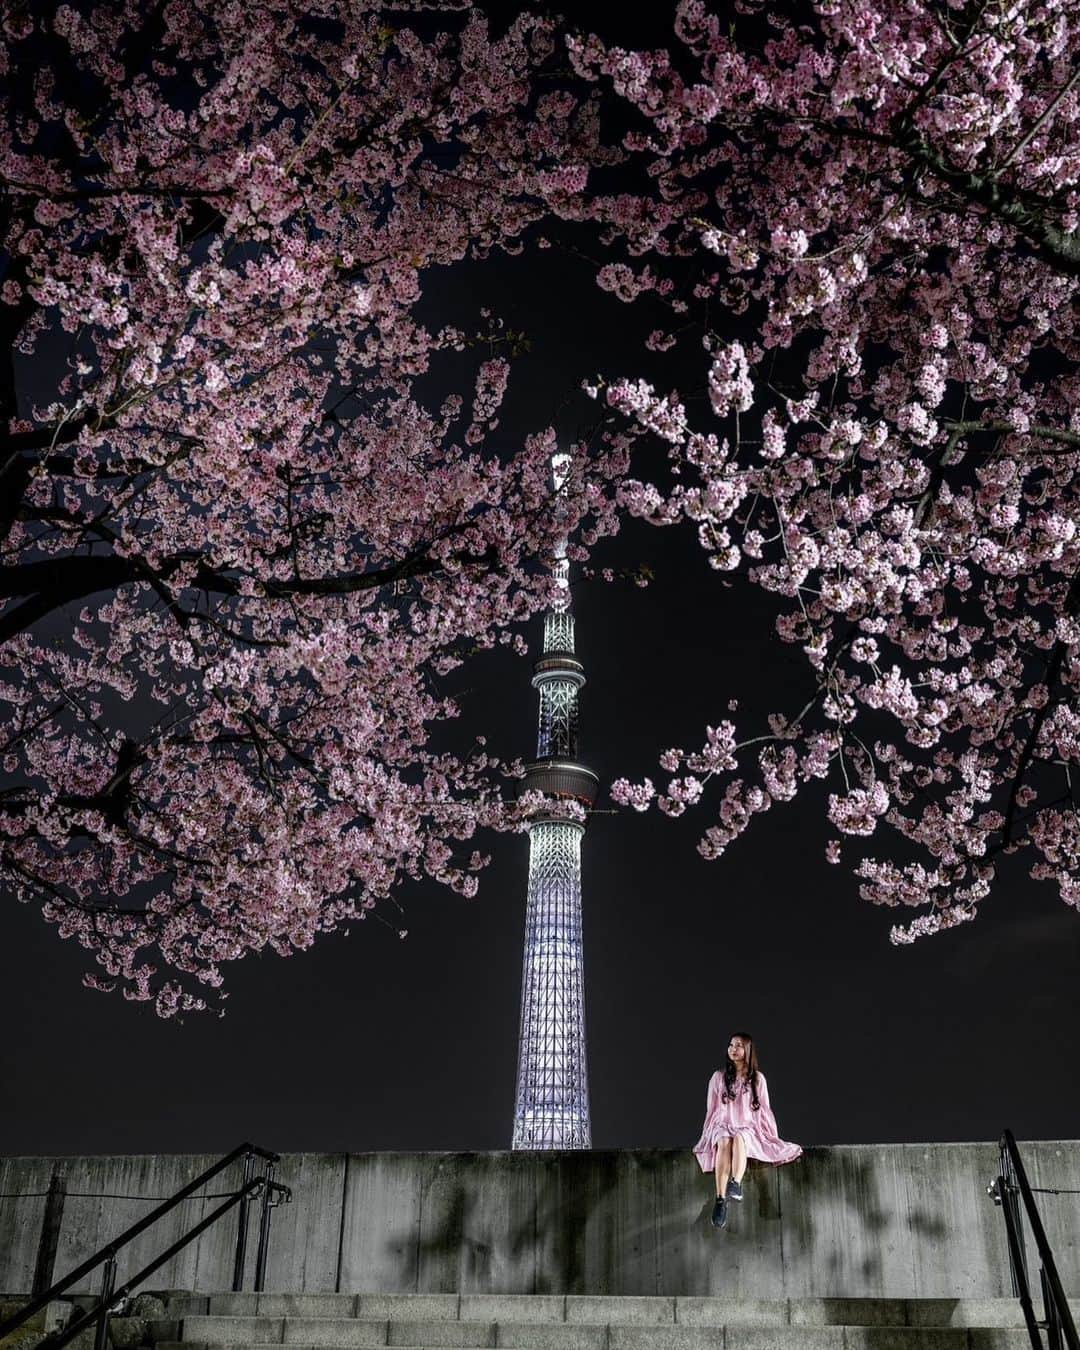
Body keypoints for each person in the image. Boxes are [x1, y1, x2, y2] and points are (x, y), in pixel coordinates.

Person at [692, 1031, 802, 1229]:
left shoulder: (758, 1079)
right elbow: (712, 1108)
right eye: (731, 1045)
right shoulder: (718, 1078)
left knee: (741, 1137)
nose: (733, 1049)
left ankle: (735, 1183)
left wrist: (769, 1135)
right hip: (723, 1123)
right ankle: (720, 1200)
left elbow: (765, 1110)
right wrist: (709, 1131)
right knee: (724, 1140)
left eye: (739, 1045)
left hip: (747, 1125)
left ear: (748, 1050)